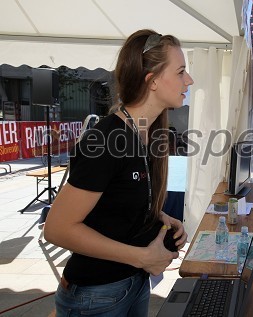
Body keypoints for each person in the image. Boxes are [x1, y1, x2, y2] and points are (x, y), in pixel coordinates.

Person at [44, 29, 193, 316]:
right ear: (151, 81)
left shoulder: (149, 134)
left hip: (133, 284)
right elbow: (57, 229)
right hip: (96, 295)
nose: (189, 80)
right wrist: (142, 257)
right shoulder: (103, 140)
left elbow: (119, 199)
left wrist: (162, 218)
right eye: (181, 72)